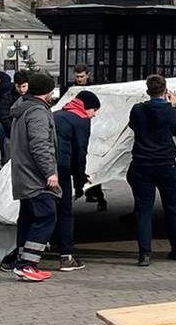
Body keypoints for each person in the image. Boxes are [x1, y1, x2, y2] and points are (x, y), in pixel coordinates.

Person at [7, 72, 61, 282]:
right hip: (35, 176)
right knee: (46, 215)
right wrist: (50, 172)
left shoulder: (22, 109)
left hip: (22, 173)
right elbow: (40, 145)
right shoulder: (38, 112)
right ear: (47, 92)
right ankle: (27, 264)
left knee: (27, 219)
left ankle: (21, 259)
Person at [127, 75, 176, 266]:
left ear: (147, 91)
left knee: (143, 209)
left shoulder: (137, 110)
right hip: (166, 163)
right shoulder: (171, 112)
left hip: (142, 163)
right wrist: (172, 105)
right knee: (172, 207)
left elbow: (133, 127)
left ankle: (144, 253)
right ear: (165, 91)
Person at [50, 89, 99, 272]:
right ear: (88, 108)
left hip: (43, 168)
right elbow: (80, 153)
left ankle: (25, 254)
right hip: (62, 171)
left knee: (42, 211)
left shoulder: (56, 114)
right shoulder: (81, 121)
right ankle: (66, 256)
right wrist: (80, 181)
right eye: (94, 111)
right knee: (65, 212)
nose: (94, 116)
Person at [69, 66, 110, 212]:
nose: (79, 79)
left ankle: (97, 195)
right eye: (77, 76)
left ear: (88, 75)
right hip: (78, 129)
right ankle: (89, 192)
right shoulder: (71, 89)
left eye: (81, 76)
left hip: (92, 131)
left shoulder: (94, 88)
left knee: (91, 164)